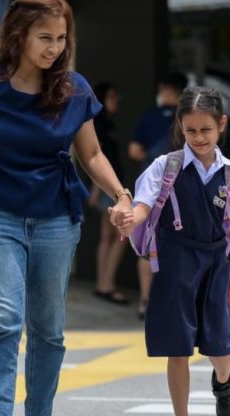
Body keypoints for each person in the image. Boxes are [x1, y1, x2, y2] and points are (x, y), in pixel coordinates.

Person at [0, 1, 131, 416]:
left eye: (61, 39)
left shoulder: (74, 89)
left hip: (57, 220)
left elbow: (92, 153)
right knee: (4, 319)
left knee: (48, 331)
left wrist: (121, 195)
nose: (54, 49)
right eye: (45, 38)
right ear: (19, 34)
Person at [117, 87, 230, 416]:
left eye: (206, 129)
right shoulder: (166, 166)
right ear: (180, 126)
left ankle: (225, 382)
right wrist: (131, 216)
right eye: (190, 130)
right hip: (174, 260)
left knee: (219, 344)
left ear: (222, 124)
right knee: (177, 346)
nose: (199, 137)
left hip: (214, 262)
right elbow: (144, 204)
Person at [129, 71, 188, 318]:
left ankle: (146, 299)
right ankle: (178, 301)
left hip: (151, 190)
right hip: (183, 189)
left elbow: (134, 151)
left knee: (147, 244)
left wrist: (155, 166)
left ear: (164, 88)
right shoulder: (189, 118)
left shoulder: (149, 117)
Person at [88, 82, 129, 304]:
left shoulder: (106, 124)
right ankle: (107, 284)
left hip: (110, 188)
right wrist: (97, 189)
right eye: (113, 95)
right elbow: (96, 158)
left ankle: (103, 284)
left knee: (108, 236)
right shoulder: (100, 125)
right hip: (109, 189)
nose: (118, 100)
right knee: (119, 235)